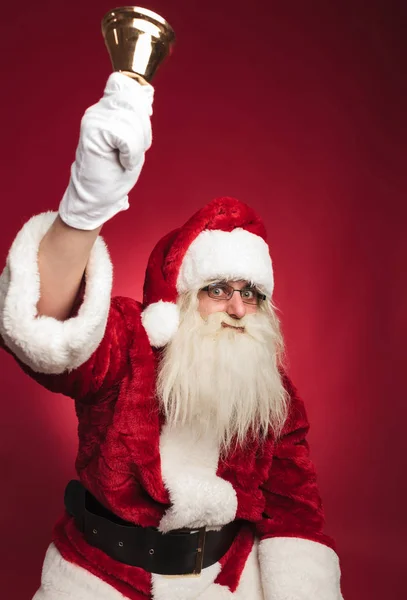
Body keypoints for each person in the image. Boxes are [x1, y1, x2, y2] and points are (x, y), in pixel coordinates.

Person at [0, 73, 344, 600]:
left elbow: (296, 516)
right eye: (218, 289)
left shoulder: (272, 396)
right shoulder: (130, 346)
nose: (235, 307)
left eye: (250, 293)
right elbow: (47, 331)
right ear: (182, 299)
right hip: (102, 579)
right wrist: (83, 209)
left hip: (224, 581)